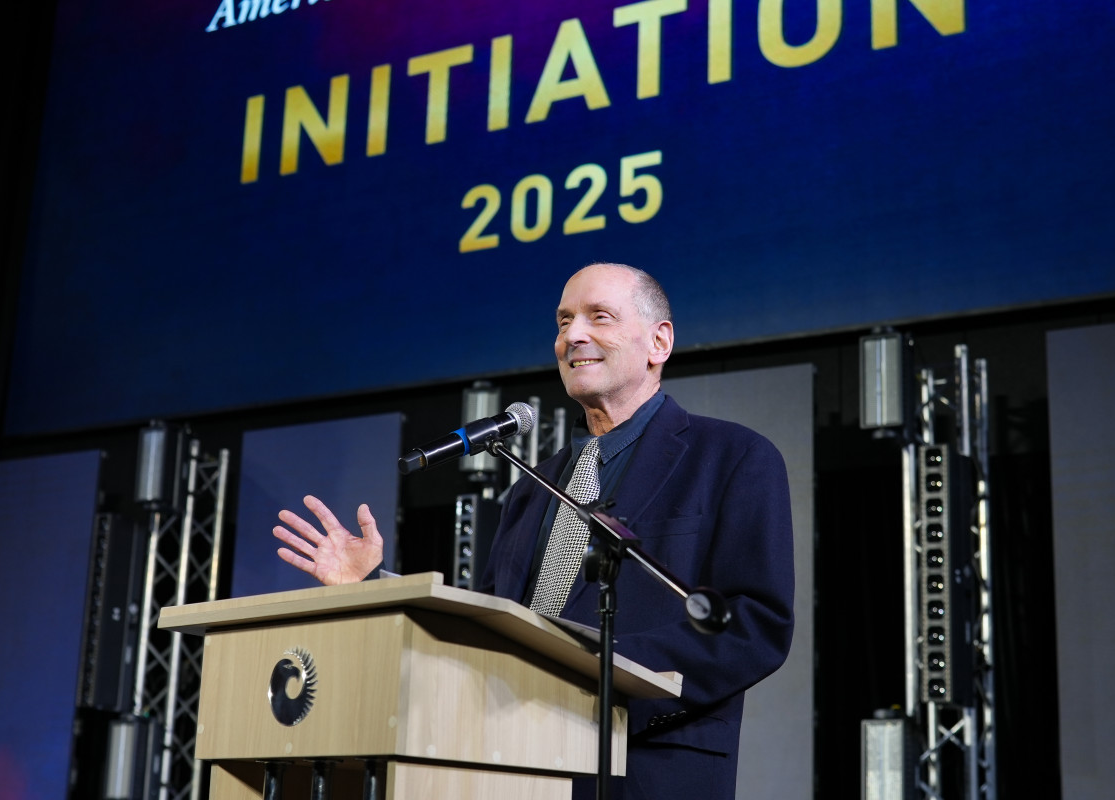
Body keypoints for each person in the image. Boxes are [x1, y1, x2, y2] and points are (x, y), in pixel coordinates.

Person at [273, 263, 795, 799]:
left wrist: (600, 677)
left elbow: (756, 625)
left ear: (659, 342)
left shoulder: (733, 457)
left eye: (599, 317)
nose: (573, 335)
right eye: (563, 321)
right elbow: (489, 626)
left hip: (647, 766)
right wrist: (374, 585)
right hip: (517, 766)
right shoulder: (531, 487)